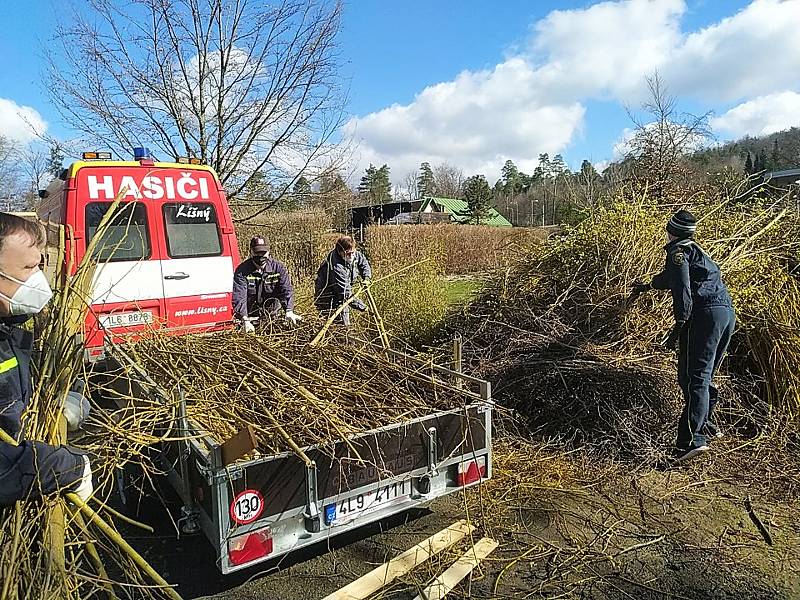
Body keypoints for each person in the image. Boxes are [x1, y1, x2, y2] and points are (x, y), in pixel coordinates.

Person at [0, 212, 92, 504]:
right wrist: (67, 467)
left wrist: (59, 402)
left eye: (38, 265)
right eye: (28, 268)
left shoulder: (9, 327)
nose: (38, 279)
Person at [633, 210, 736, 464]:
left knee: (693, 377)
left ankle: (691, 440)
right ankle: (708, 424)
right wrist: (647, 286)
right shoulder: (697, 251)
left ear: (672, 231)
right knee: (705, 373)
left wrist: (680, 323)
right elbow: (672, 278)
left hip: (704, 315)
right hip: (725, 312)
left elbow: (682, 288)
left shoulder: (677, 252)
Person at [232, 236, 301, 333]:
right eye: (257, 252)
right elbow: (239, 296)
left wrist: (289, 310)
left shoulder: (278, 268)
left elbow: (286, 290)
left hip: (272, 317)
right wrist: (244, 319)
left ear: (269, 252)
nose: (260, 256)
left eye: (263, 253)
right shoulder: (242, 271)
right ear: (251, 252)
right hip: (249, 318)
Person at [314, 235, 372, 326]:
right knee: (341, 328)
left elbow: (363, 263)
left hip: (341, 297)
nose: (351, 256)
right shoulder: (336, 267)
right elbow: (345, 294)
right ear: (340, 252)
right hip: (330, 301)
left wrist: (367, 278)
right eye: (348, 254)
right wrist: (363, 307)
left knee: (344, 326)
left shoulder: (353, 253)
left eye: (353, 252)